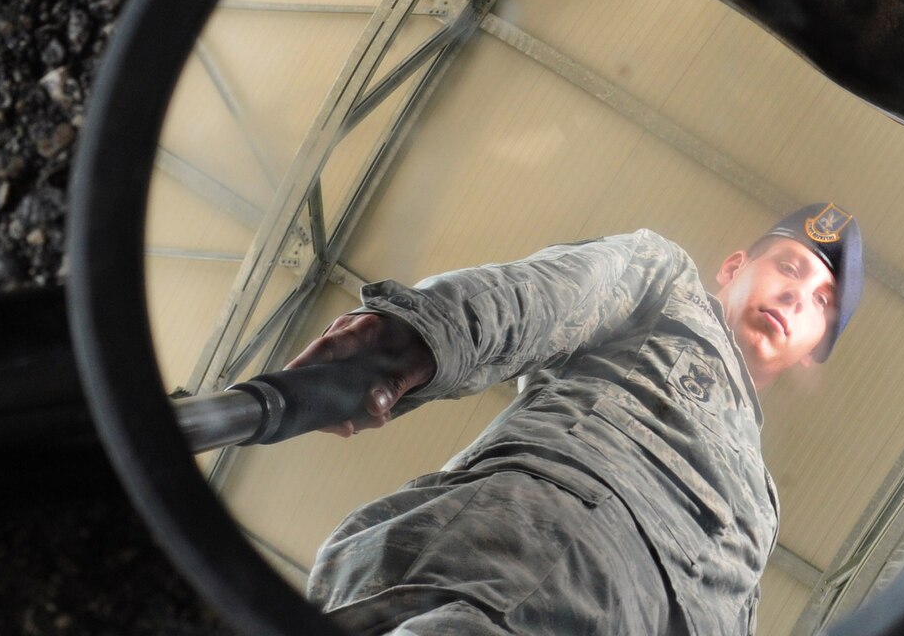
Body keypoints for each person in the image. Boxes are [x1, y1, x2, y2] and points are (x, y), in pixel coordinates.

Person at [280, 202, 865, 636]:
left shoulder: (762, 509)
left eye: (821, 301)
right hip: (512, 572)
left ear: (816, 347)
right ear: (735, 266)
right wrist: (415, 336)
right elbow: (543, 297)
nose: (796, 298)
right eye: (789, 267)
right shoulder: (668, 289)